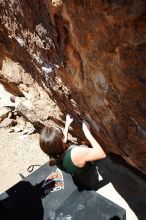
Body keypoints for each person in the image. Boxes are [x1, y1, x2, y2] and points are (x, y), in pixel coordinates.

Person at [39, 114, 106, 190]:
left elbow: (62, 140)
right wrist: (87, 133)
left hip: (78, 175)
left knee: (83, 148)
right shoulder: (75, 153)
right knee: (86, 149)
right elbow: (101, 154)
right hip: (90, 176)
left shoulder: (53, 152)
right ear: (61, 141)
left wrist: (67, 125)